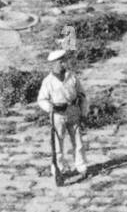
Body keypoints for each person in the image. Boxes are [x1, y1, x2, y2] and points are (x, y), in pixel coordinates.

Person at [36, 49, 89, 180]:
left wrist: (83, 112)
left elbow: (82, 95)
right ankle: (59, 170)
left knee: (78, 141)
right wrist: (51, 108)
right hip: (57, 115)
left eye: (64, 61)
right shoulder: (48, 82)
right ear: (53, 64)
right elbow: (41, 99)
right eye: (60, 62)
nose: (64, 64)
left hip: (73, 111)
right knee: (58, 144)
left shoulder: (72, 77)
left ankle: (81, 167)